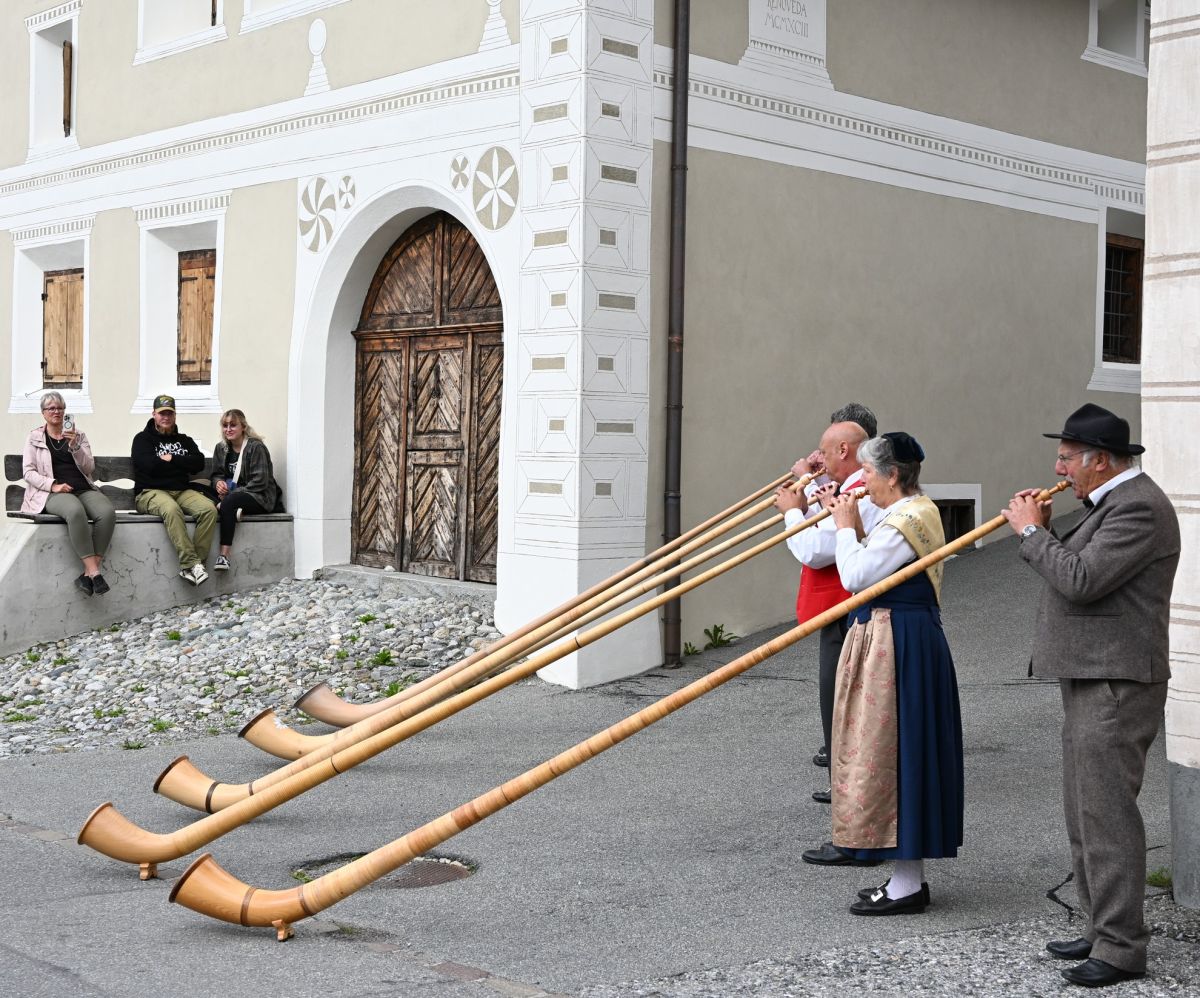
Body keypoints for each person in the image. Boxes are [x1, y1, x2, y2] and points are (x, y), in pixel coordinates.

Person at [1002, 404, 1179, 988]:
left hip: (1117, 680)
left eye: (1066, 458)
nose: (1058, 469)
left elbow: (1081, 581)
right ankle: (1101, 926)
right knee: (1084, 812)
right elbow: (1081, 569)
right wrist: (1047, 533)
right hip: (1094, 674)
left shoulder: (1138, 507)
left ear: (1100, 461)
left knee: (1107, 816)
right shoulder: (1111, 503)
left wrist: (1032, 533)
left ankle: (1123, 948)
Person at [803, 432, 964, 915]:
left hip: (900, 642)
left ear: (892, 475)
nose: (862, 481)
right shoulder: (907, 511)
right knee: (888, 753)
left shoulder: (905, 521)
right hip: (893, 637)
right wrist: (847, 520)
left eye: (869, 472)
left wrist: (843, 526)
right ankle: (904, 878)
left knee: (900, 754)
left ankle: (907, 884)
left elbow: (855, 577)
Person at [775, 413, 883, 808]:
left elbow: (816, 550)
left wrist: (792, 511)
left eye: (823, 451)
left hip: (844, 605)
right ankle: (845, 780)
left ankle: (847, 787)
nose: (817, 457)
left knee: (840, 698)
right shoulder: (847, 488)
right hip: (840, 603)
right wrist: (809, 494)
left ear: (843, 450)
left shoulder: (858, 493)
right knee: (837, 697)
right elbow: (823, 527)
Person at [21, 391, 117, 596]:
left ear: (65, 411)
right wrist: (52, 485)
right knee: (75, 511)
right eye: (51, 408)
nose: (56, 412)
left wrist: (75, 446)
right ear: (43, 412)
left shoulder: (78, 435)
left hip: (83, 488)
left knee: (107, 512)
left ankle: (88, 574)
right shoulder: (34, 437)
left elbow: (89, 467)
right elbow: (28, 472)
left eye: (60, 408)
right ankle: (95, 572)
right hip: (52, 493)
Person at [131, 394, 217, 586]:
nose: (166, 417)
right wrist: (181, 465)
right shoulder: (142, 439)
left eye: (170, 413)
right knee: (171, 509)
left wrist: (173, 459)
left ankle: (196, 567)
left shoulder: (184, 440)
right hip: (149, 492)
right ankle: (191, 563)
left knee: (209, 510)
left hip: (181, 491)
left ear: (175, 415)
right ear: (154, 414)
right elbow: (149, 466)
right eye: (162, 413)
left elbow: (198, 463)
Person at [209, 409, 278, 571]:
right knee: (201, 492)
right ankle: (233, 509)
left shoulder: (256, 447)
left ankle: (224, 556)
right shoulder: (221, 448)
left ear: (243, 427)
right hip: (232, 495)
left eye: (233, 425)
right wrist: (218, 483)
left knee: (230, 502)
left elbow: (260, 481)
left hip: (258, 496)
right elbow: (216, 475)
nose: (228, 429)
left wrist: (230, 494)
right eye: (225, 426)